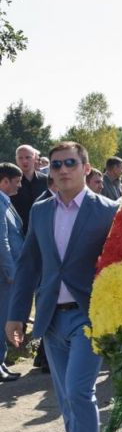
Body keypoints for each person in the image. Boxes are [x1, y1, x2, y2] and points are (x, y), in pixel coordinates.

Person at [6, 141, 118, 432]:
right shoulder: (39, 212)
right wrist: (16, 315)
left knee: (78, 393)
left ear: (86, 168)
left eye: (71, 163)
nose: (63, 169)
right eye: (56, 165)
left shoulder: (108, 211)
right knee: (68, 402)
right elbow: (28, 265)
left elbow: (121, 266)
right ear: (49, 170)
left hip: (90, 316)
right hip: (53, 319)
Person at [0, 163, 25, 381]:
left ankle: (1, 362)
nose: (20, 184)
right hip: (4, 276)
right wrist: (11, 272)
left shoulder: (5, 202)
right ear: (4, 181)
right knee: (2, 319)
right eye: (16, 181)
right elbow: (2, 241)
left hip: (7, 273)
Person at [14, 144, 48, 234]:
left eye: (28, 157)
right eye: (20, 158)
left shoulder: (46, 180)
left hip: (43, 232)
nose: (24, 161)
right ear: (16, 160)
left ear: (35, 158)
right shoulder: (10, 182)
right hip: (19, 233)